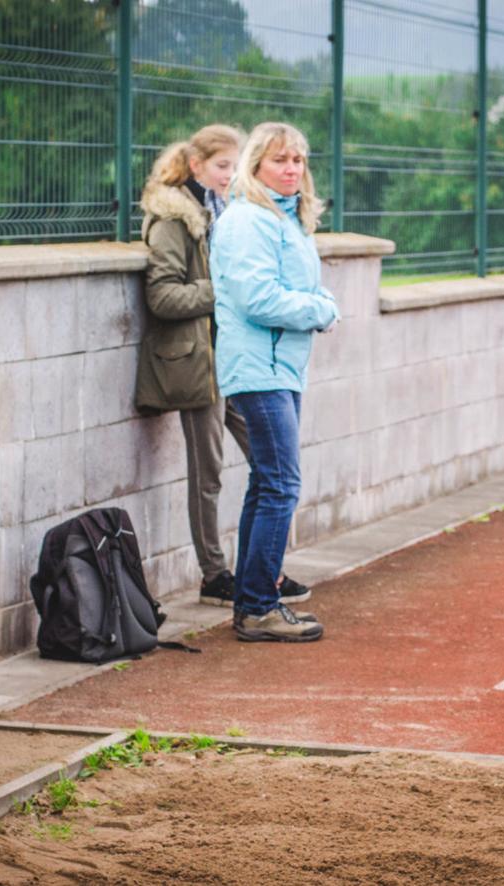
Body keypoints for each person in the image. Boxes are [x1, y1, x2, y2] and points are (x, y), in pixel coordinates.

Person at [135, 124, 313, 609]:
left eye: (235, 166)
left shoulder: (232, 212)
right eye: (222, 166)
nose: (229, 175)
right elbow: (163, 295)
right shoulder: (175, 219)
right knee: (211, 472)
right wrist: (227, 293)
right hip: (197, 362)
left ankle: (261, 574)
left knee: (270, 468)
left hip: (233, 355)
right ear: (196, 166)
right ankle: (217, 574)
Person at [211, 122, 339, 642]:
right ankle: (260, 605)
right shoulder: (247, 221)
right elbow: (257, 298)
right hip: (256, 368)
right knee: (283, 484)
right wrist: (321, 309)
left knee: (267, 483)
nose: (291, 169)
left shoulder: (288, 221)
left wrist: (316, 306)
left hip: (281, 367)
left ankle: (252, 600)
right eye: (279, 160)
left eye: (298, 160)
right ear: (256, 166)